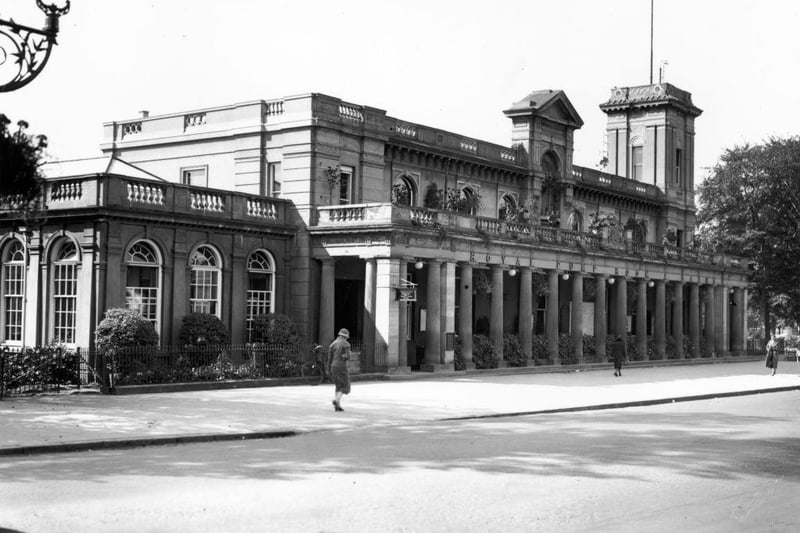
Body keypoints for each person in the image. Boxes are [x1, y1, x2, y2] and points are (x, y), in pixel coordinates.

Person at [327, 328, 352, 411]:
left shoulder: (332, 344)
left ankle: (337, 406)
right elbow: (348, 356)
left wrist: (328, 369)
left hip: (333, 366)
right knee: (345, 386)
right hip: (341, 366)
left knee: (338, 386)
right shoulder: (346, 344)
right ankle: (336, 400)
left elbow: (329, 359)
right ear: (345, 337)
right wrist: (344, 355)